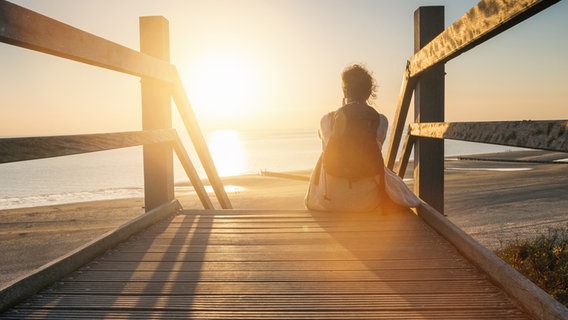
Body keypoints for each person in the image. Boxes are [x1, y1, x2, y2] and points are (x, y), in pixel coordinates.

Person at [305, 64, 420, 212]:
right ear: (369, 92)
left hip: (330, 200)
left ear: (344, 91)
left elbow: (325, 139)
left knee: (325, 153)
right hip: (369, 202)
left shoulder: (327, 119)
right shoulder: (380, 121)